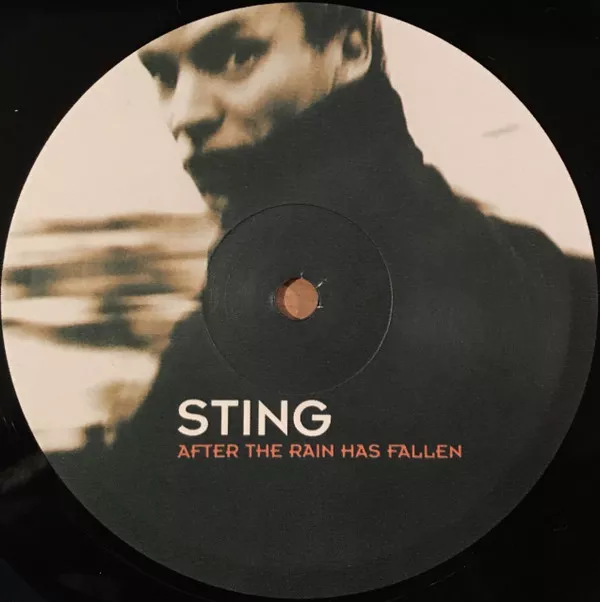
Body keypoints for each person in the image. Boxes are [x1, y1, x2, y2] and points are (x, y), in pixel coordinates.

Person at [60, 4, 596, 597]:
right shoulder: (539, 267)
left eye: (236, 56)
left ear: (351, 46)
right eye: (162, 74)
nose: (185, 114)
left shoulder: (231, 352)